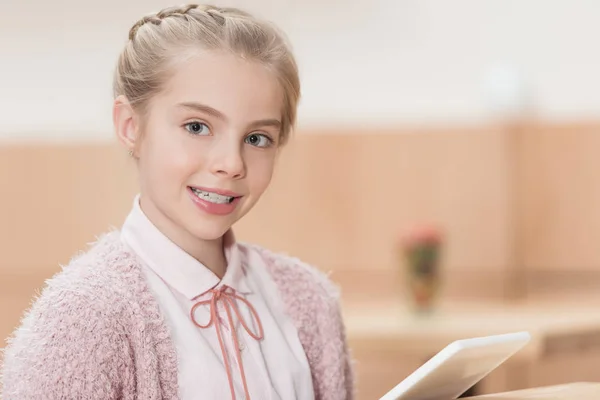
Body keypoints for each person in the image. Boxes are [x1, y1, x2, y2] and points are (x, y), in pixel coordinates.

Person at [1, 4, 354, 400]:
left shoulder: (309, 300)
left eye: (257, 138)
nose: (231, 164)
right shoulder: (84, 318)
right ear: (131, 126)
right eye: (197, 127)